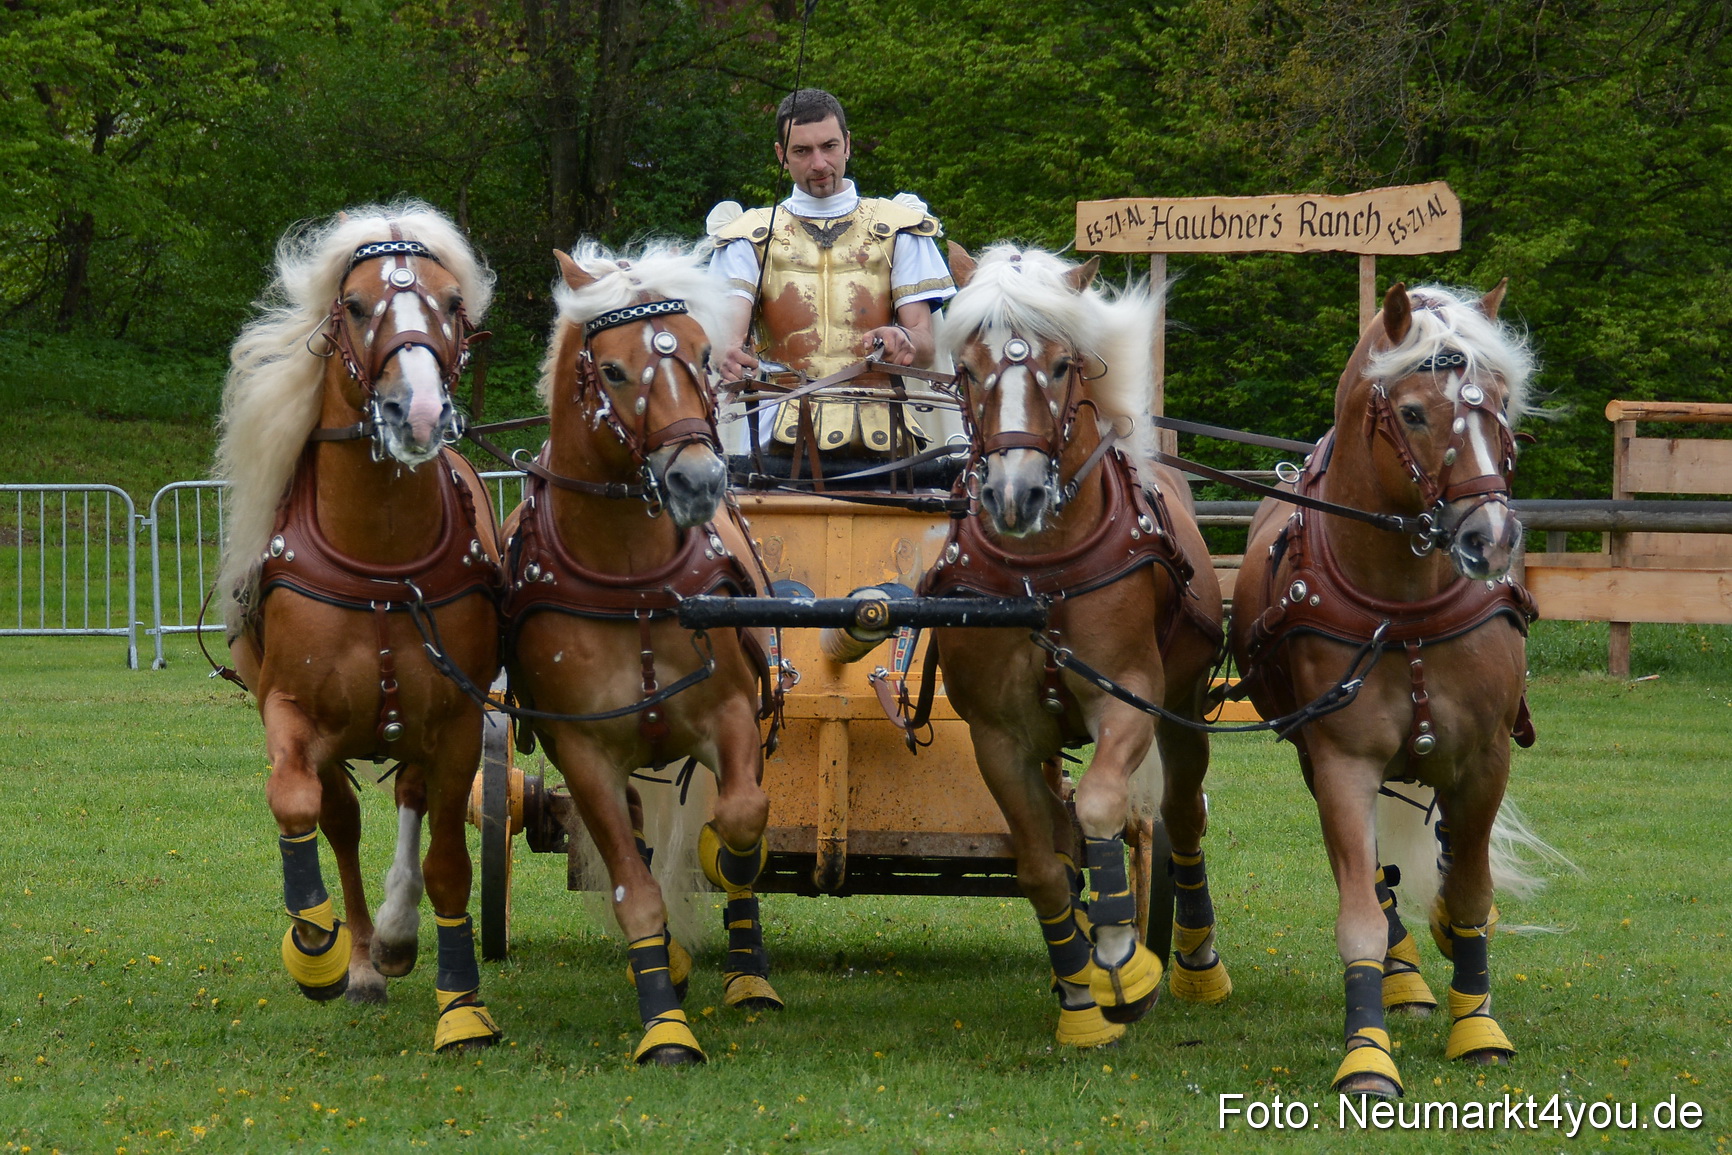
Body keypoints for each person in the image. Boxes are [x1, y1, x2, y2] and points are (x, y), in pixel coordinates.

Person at [708, 88, 956, 459]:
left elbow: (925, 346)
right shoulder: (748, 236)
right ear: (781, 155)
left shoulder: (898, 227)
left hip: (885, 433)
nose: (820, 164)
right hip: (777, 435)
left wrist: (903, 338)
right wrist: (726, 352)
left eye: (829, 146)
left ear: (848, 145)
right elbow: (730, 337)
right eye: (802, 151)